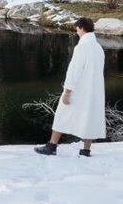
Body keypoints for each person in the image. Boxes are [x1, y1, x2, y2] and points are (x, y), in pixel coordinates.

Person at [34, 17, 105, 157]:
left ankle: (52, 146)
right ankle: (86, 150)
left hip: (78, 89)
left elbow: (73, 71)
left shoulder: (82, 47)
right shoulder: (98, 48)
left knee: (62, 114)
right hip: (94, 91)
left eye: (77, 29)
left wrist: (67, 91)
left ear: (82, 28)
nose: (76, 31)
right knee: (89, 117)